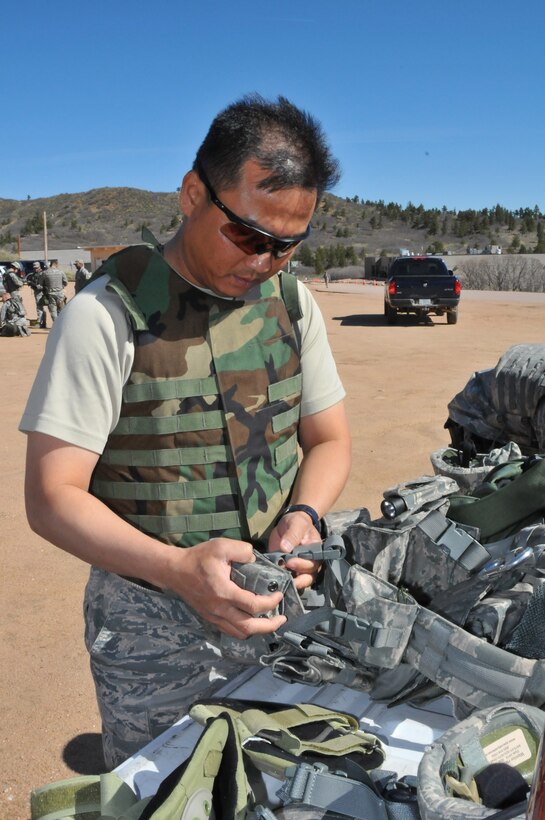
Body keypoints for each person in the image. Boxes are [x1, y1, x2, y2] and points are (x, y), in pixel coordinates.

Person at [20, 93, 351, 769]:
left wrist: (305, 515)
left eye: (288, 244)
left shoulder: (291, 303)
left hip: (276, 605)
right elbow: (51, 496)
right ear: (194, 194)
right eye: (249, 236)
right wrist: (175, 570)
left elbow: (328, 439)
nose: (265, 261)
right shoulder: (106, 315)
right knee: (165, 792)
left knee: (283, 785)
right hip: (152, 629)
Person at [26, 261, 48, 328]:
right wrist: (30, 282)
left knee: (39, 308)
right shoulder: (34, 274)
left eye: (37, 268)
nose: (35, 269)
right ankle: (43, 322)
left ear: (39, 267)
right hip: (37, 292)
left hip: (42, 292)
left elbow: (41, 285)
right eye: (34, 268)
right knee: (41, 308)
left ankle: (39, 322)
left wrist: (33, 284)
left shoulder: (43, 274)